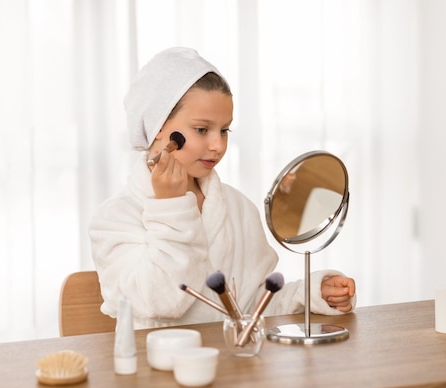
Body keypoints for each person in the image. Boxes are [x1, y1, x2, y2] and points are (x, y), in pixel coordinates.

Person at [89, 47, 356, 329]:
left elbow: (252, 307)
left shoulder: (238, 208)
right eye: (202, 130)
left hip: (237, 366)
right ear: (158, 128)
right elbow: (158, 303)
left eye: (225, 130)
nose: (218, 145)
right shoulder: (114, 219)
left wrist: (312, 293)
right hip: (156, 368)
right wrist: (169, 208)